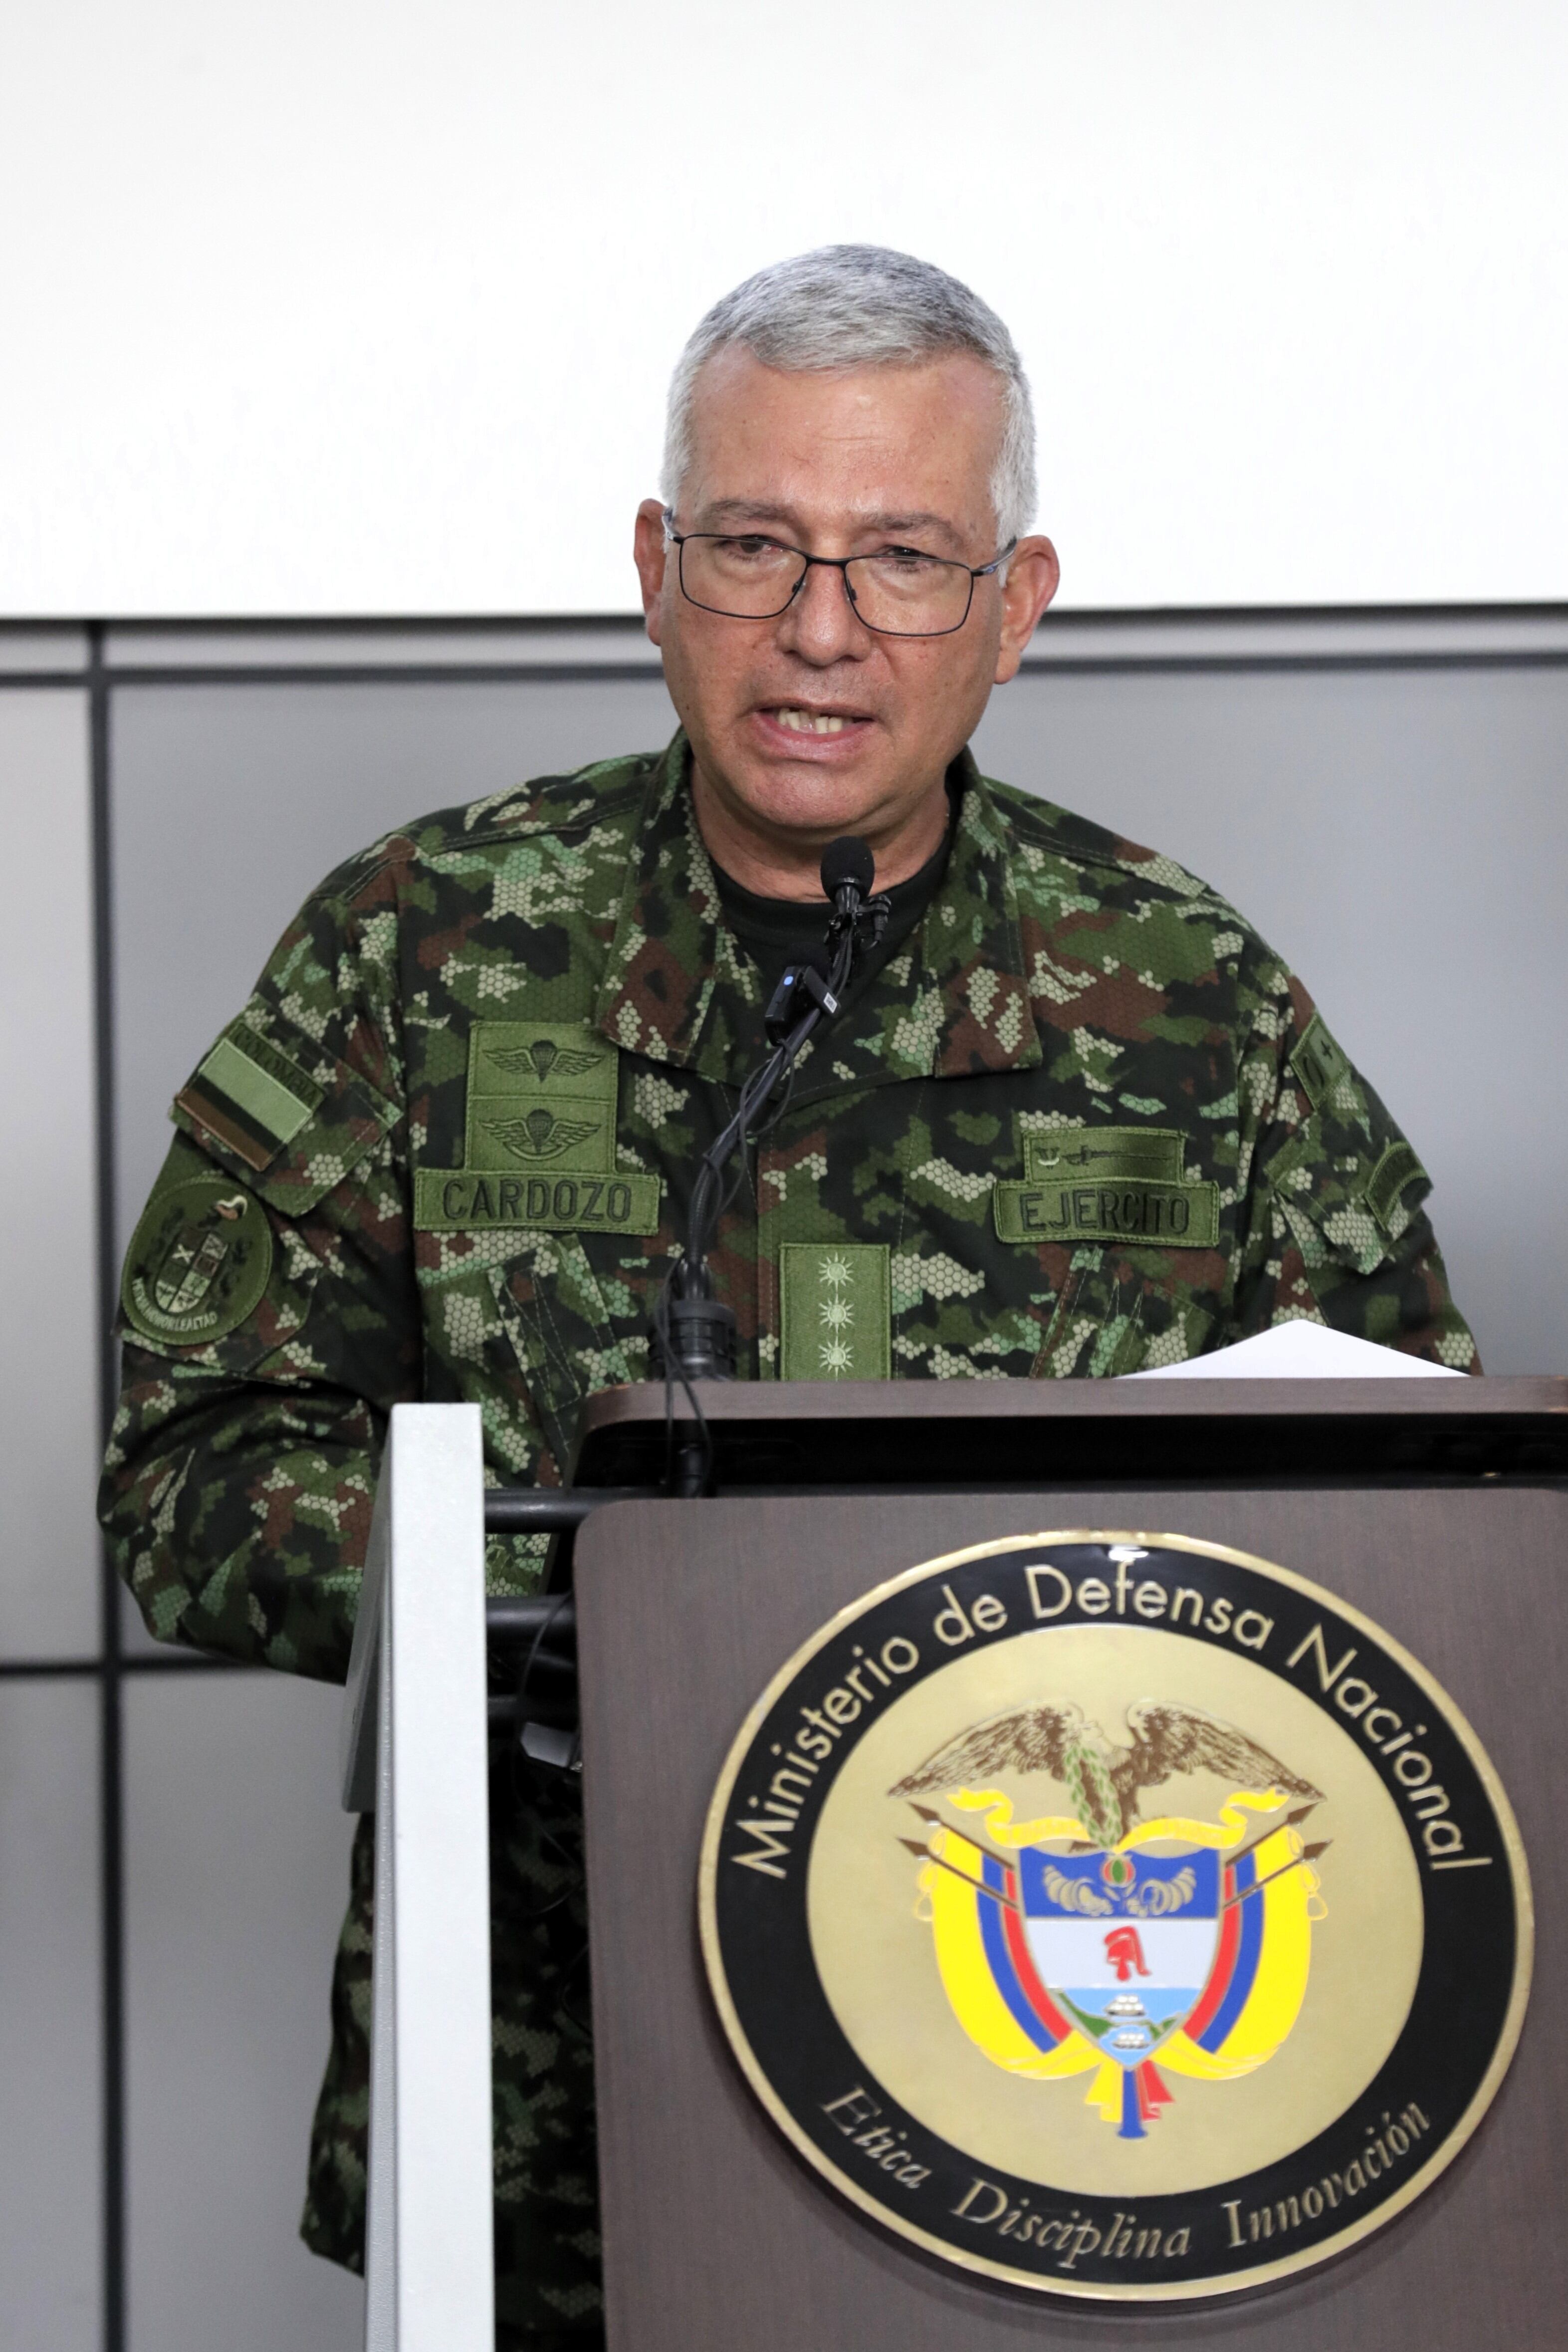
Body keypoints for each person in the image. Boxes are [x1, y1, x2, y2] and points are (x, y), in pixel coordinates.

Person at [99, 244, 1477, 2347]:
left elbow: (1418, 1500)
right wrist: (579, 1598)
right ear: (658, 569)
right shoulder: (420, 945)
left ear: (1013, 611)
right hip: (557, 2115)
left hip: (1080, 2110)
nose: (821, 630)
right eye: (756, 546)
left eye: (906, 558)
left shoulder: (1193, 997)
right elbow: (190, 1476)